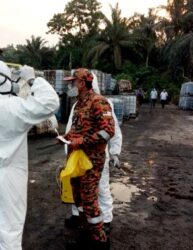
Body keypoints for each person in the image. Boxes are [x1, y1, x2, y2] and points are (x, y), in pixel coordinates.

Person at [0, 60, 59, 250]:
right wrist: (32, 79)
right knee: (10, 231)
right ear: (6, 81)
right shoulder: (17, 108)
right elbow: (50, 102)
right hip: (9, 177)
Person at [62, 68, 115, 250]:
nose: (71, 85)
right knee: (78, 196)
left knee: (89, 198)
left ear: (82, 83)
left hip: (92, 160)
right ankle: (85, 235)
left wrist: (82, 140)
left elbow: (108, 132)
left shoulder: (99, 102)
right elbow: (78, 128)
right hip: (78, 158)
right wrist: (67, 136)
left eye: (73, 82)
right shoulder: (79, 103)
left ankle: (100, 241)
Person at [65, 98, 122, 237]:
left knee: (101, 188)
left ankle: (106, 219)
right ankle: (77, 215)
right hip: (77, 156)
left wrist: (114, 152)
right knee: (77, 188)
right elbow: (70, 128)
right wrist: (68, 153)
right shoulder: (77, 105)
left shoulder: (102, 103)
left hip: (96, 157)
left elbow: (112, 130)